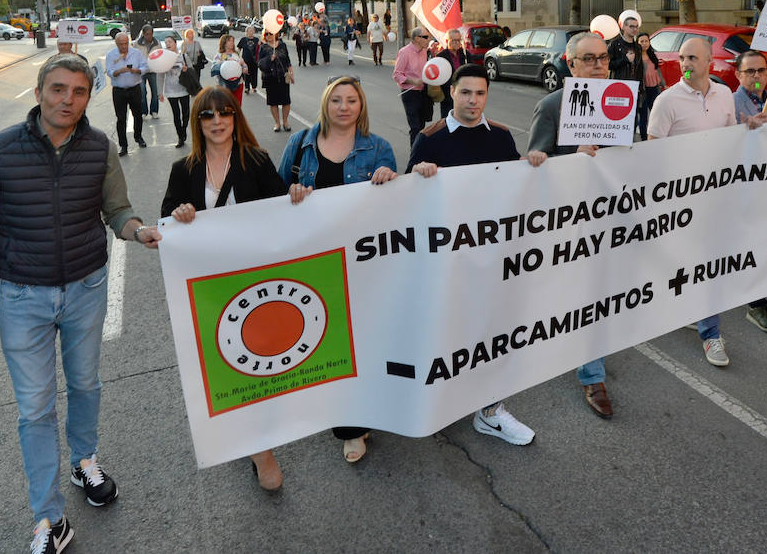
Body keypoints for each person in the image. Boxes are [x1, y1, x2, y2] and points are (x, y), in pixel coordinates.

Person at [0, 52, 160, 554]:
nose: (68, 100)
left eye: (79, 91)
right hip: (22, 298)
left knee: (86, 383)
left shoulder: (100, 148)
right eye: (58, 89)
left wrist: (138, 232)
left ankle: (84, 460)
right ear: (40, 91)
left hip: (87, 289)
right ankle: (49, 518)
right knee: (35, 409)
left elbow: (118, 211)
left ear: (90, 96)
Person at [407, 64, 547, 445]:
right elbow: (404, 202)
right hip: (447, 261)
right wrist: (418, 174)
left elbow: (515, 186)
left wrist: (531, 166)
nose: (473, 101)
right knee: (448, 332)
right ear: (452, 92)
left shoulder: (500, 137)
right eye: (466, 92)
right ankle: (442, 399)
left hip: (493, 256)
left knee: (492, 332)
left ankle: (490, 410)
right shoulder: (429, 137)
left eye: (480, 94)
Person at [162, 86, 291, 491]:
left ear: (236, 117)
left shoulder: (257, 160)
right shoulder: (183, 169)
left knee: (259, 363)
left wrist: (299, 196)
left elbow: (283, 209)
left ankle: (259, 444)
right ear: (197, 122)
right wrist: (180, 213)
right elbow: (166, 220)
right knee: (227, 365)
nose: (216, 121)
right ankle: (256, 445)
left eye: (224, 113)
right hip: (210, 286)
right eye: (207, 116)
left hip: (257, 282)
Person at [278, 77, 397, 463]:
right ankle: (346, 420)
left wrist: (390, 181)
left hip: (364, 261)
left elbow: (396, 209)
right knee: (329, 341)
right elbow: (274, 197)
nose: (344, 107)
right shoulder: (301, 144)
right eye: (337, 101)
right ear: (326, 104)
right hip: (315, 261)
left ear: (361, 106)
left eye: (352, 101)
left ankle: (357, 421)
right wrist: (292, 195)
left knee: (363, 342)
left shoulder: (379, 148)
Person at [526, 32, 618, 418]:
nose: (598, 65)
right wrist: (572, 156)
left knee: (601, 293)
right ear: (570, 62)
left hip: (610, 213)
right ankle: (591, 375)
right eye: (589, 59)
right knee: (584, 294)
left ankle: (580, 346)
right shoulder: (552, 106)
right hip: (569, 221)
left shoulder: (620, 99)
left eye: (603, 58)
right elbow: (534, 163)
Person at [646, 37, 737, 368]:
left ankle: (710, 333)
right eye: (682, 58)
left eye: (693, 58)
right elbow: (652, 151)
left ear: (709, 62)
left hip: (713, 197)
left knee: (708, 265)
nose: (685, 64)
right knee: (680, 261)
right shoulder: (667, 101)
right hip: (677, 201)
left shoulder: (725, 94)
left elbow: (732, 140)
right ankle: (681, 302)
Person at [732, 50, 767, 334]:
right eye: (750, 71)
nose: (757, 76)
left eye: (762, 71)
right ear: (738, 75)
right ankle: (757, 304)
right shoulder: (731, 102)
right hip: (745, 184)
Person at [104, 31, 147, 156]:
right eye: (121, 44)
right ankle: (123, 145)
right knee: (121, 118)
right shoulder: (111, 54)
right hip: (119, 90)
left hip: (134, 88)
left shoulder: (136, 53)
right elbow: (110, 71)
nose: (124, 46)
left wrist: (138, 70)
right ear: (116, 43)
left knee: (138, 115)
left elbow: (145, 67)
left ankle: (138, 137)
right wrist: (119, 71)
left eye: (126, 43)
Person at [393, 26, 434, 146]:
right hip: (410, 93)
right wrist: (413, 81)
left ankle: (420, 152)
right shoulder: (404, 52)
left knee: (422, 126)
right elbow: (396, 75)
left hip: (424, 92)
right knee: (415, 127)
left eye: (429, 37)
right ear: (417, 38)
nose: (429, 39)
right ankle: (415, 157)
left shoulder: (424, 52)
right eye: (426, 37)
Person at [156, 34, 192, 149]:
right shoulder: (163, 59)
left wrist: (186, 70)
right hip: (170, 90)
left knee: (186, 113)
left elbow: (192, 70)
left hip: (184, 89)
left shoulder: (183, 56)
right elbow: (160, 76)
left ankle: (184, 129)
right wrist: (159, 92)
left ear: (175, 43)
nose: (167, 44)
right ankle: (180, 137)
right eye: (166, 43)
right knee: (176, 114)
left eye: (170, 42)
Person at [258, 30, 294, 132]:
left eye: (270, 34)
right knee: (273, 102)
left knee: (286, 101)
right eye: (266, 34)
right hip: (270, 77)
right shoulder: (263, 47)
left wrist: (291, 74)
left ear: (276, 34)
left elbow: (288, 61)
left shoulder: (282, 45)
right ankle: (277, 123)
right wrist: (270, 59)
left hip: (283, 76)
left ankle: (285, 122)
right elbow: (260, 64)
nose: (268, 36)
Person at [635, 31, 664, 140]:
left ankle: (657, 136)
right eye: (642, 41)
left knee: (656, 113)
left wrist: (663, 83)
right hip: (643, 90)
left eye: (646, 41)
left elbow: (657, 70)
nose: (644, 43)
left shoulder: (652, 54)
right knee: (643, 117)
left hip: (654, 88)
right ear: (637, 43)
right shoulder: (636, 57)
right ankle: (643, 139)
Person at [435, 28, 467, 120]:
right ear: (447, 41)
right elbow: (439, 77)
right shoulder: (441, 57)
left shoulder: (465, 54)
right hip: (448, 96)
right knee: (447, 121)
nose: (457, 43)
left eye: (458, 40)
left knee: (463, 120)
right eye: (454, 40)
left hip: (463, 94)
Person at [607, 10, 644, 83]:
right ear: (623, 27)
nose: (635, 29)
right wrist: (625, 59)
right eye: (631, 26)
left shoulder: (638, 47)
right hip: (618, 84)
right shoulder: (615, 45)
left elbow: (640, 69)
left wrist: (640, 88)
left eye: (636, 26)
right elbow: (608, 65)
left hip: (634, 85)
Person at [211, 33, 246, 106]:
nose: (232, 43)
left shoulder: (237, 53)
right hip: (223, 85)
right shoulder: (219, 55)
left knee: (237, 106)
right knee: (225, 107)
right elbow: (213, 69)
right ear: (224, 43)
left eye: (233, 41)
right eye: (229, 41)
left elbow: (243, 64)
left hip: (238, 84)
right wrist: (225, 63)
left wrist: (245, 68)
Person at [136, 24, 161, 116]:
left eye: (150, 34)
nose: (149, 36)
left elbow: (160, 55)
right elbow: (134, 57)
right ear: (143, 34)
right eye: (147, 34)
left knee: (155, 92)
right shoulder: (137, 44)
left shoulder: (157, 43)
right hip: (141, 71)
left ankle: (154, 111)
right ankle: (144, 111)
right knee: (142, 93)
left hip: (153, 71)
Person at [238, 25, 261, 92]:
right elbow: (239, 48)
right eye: (250, 31)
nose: (251, 32)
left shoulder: (256, 40)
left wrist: (260, 44)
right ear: (246, 32)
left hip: (254, 60)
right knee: (246, 74)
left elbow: (260, 49)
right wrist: (237, 56)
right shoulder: (243, 39)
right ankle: (247, 88)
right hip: (245, 60)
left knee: (254, 74)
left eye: (252, 30)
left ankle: (254, 87)